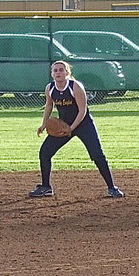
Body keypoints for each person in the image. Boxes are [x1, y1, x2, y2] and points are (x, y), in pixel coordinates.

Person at [28, 60, 123, 199]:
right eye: (55, 70)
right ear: (52, 74)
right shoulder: (50, 88)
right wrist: (44, 124)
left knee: (97, 155)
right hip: (64, 125)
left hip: (84, 125)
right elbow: (49, 105)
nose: (58, 73)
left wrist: (71, 128)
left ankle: (112, 187)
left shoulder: (75, 86)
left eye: (61, 70)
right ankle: (46, 187)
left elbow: (82, 110)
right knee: (45, 152)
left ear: (67, 72)